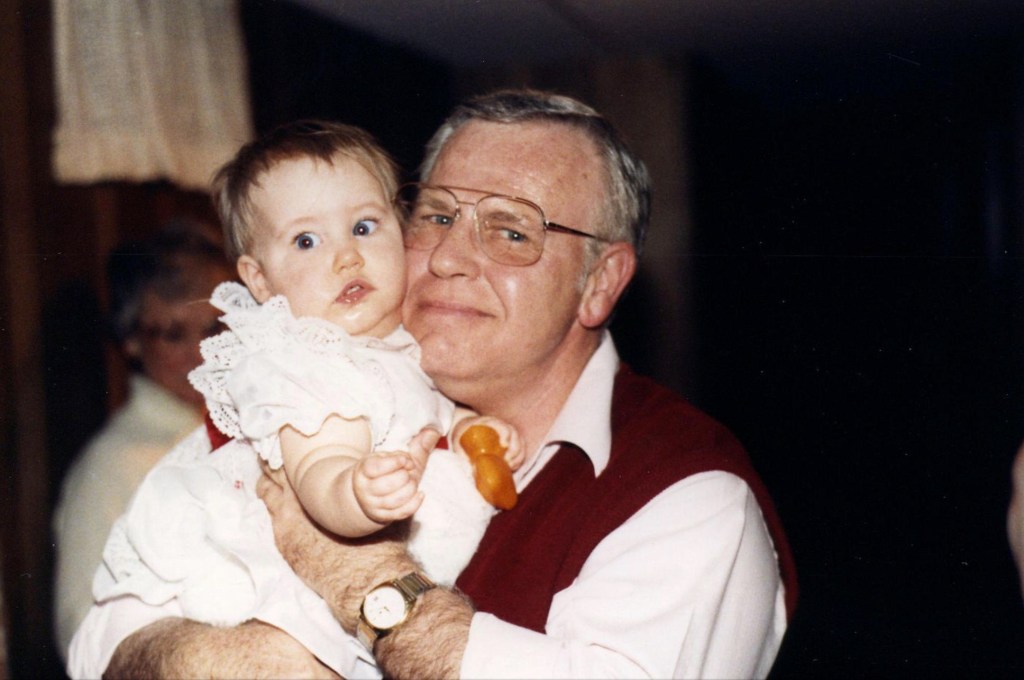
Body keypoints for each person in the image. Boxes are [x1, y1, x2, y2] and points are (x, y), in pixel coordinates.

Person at [96, 89, 799, 679]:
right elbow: (103, 639)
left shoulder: (688, 497)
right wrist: (239, 659)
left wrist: (364, 580)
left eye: (511, 231)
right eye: (436, 216)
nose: (450, 258)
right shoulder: (303, 383)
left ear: (600, 282)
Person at [70, 121, 522, 679]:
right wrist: (355, 493)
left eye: (364, 226)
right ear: (260, 282)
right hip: (272, 575)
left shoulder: (394, 347)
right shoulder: (303, 362)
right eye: (307, 241)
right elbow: (316, 472)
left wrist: (472, 428)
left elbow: (417, 409)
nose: (347, 258)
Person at [51, 220, 234, 661]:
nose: (200, 352)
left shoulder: (236, 429)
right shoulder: (116, 462)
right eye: (173, 333)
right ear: (131, 339)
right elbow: (80, 631)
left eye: (213, 330)